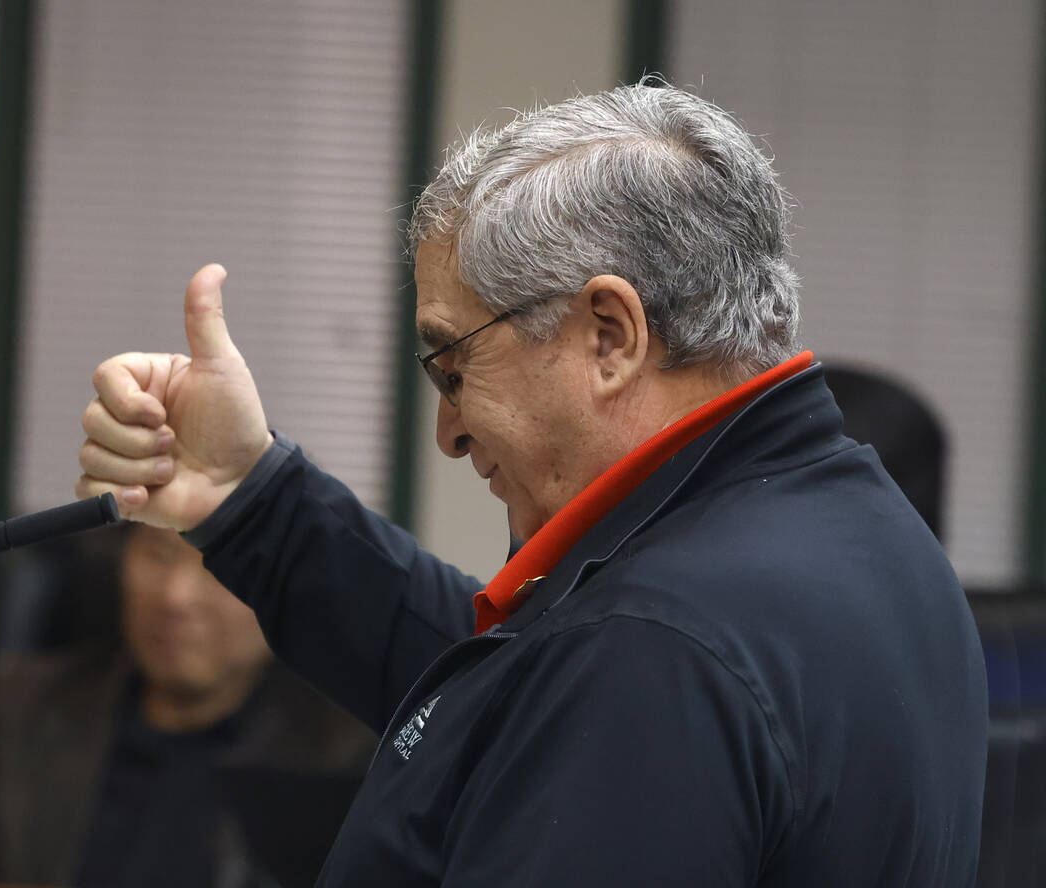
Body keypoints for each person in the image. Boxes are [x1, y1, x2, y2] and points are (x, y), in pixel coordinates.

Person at [74, 83, 989, 885]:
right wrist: (252, 495)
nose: (449, 429)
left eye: (452, 366)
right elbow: (514, 699)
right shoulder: (849, 527)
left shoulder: (654, 647)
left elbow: (593, 685)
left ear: (609, 335)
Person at [0, 523, 375, 888]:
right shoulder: (20, 710)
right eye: (158, 554)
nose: (174, 596)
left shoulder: (346, 754)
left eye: (222, 568)